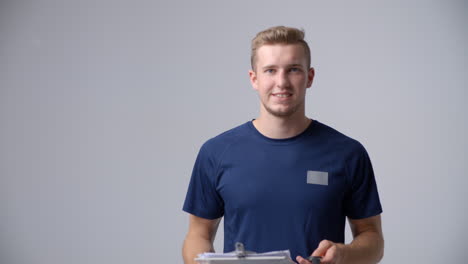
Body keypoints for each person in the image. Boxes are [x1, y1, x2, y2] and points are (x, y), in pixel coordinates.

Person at [182, 26, 384, 264]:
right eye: (270, 70)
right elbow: (198, 233)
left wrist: (343, 255)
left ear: (309, 77)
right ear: (254, 79)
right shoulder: (215, 153)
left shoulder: (348, 153)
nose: (282, 82)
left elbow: (372, 238)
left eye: (293, 70)